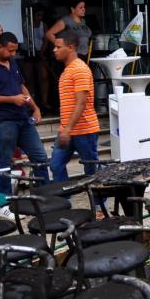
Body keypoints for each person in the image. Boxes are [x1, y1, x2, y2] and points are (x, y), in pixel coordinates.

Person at [0, 32, 47, 218]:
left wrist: (35, 107)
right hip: (2, 120)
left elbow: (21, 87)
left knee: (39, 155)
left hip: (22, 118)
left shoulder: (12, 63)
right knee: (5, 161)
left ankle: (45, 196)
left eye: (15, 50)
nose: (13, 54)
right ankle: (4, 204)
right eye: (10, 50)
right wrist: (10, 99)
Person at [50, 31, 101, 185]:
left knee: (91, 168)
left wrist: (67, 129)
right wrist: (65, 129)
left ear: (71, 47)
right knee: (55, 165)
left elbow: (81, 103)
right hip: (67, 129)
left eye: (58, 47)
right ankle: (65, 201)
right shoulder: (68, 70)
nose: (54, 50)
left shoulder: (80, 69)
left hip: (84, 130)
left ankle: (99, 204)